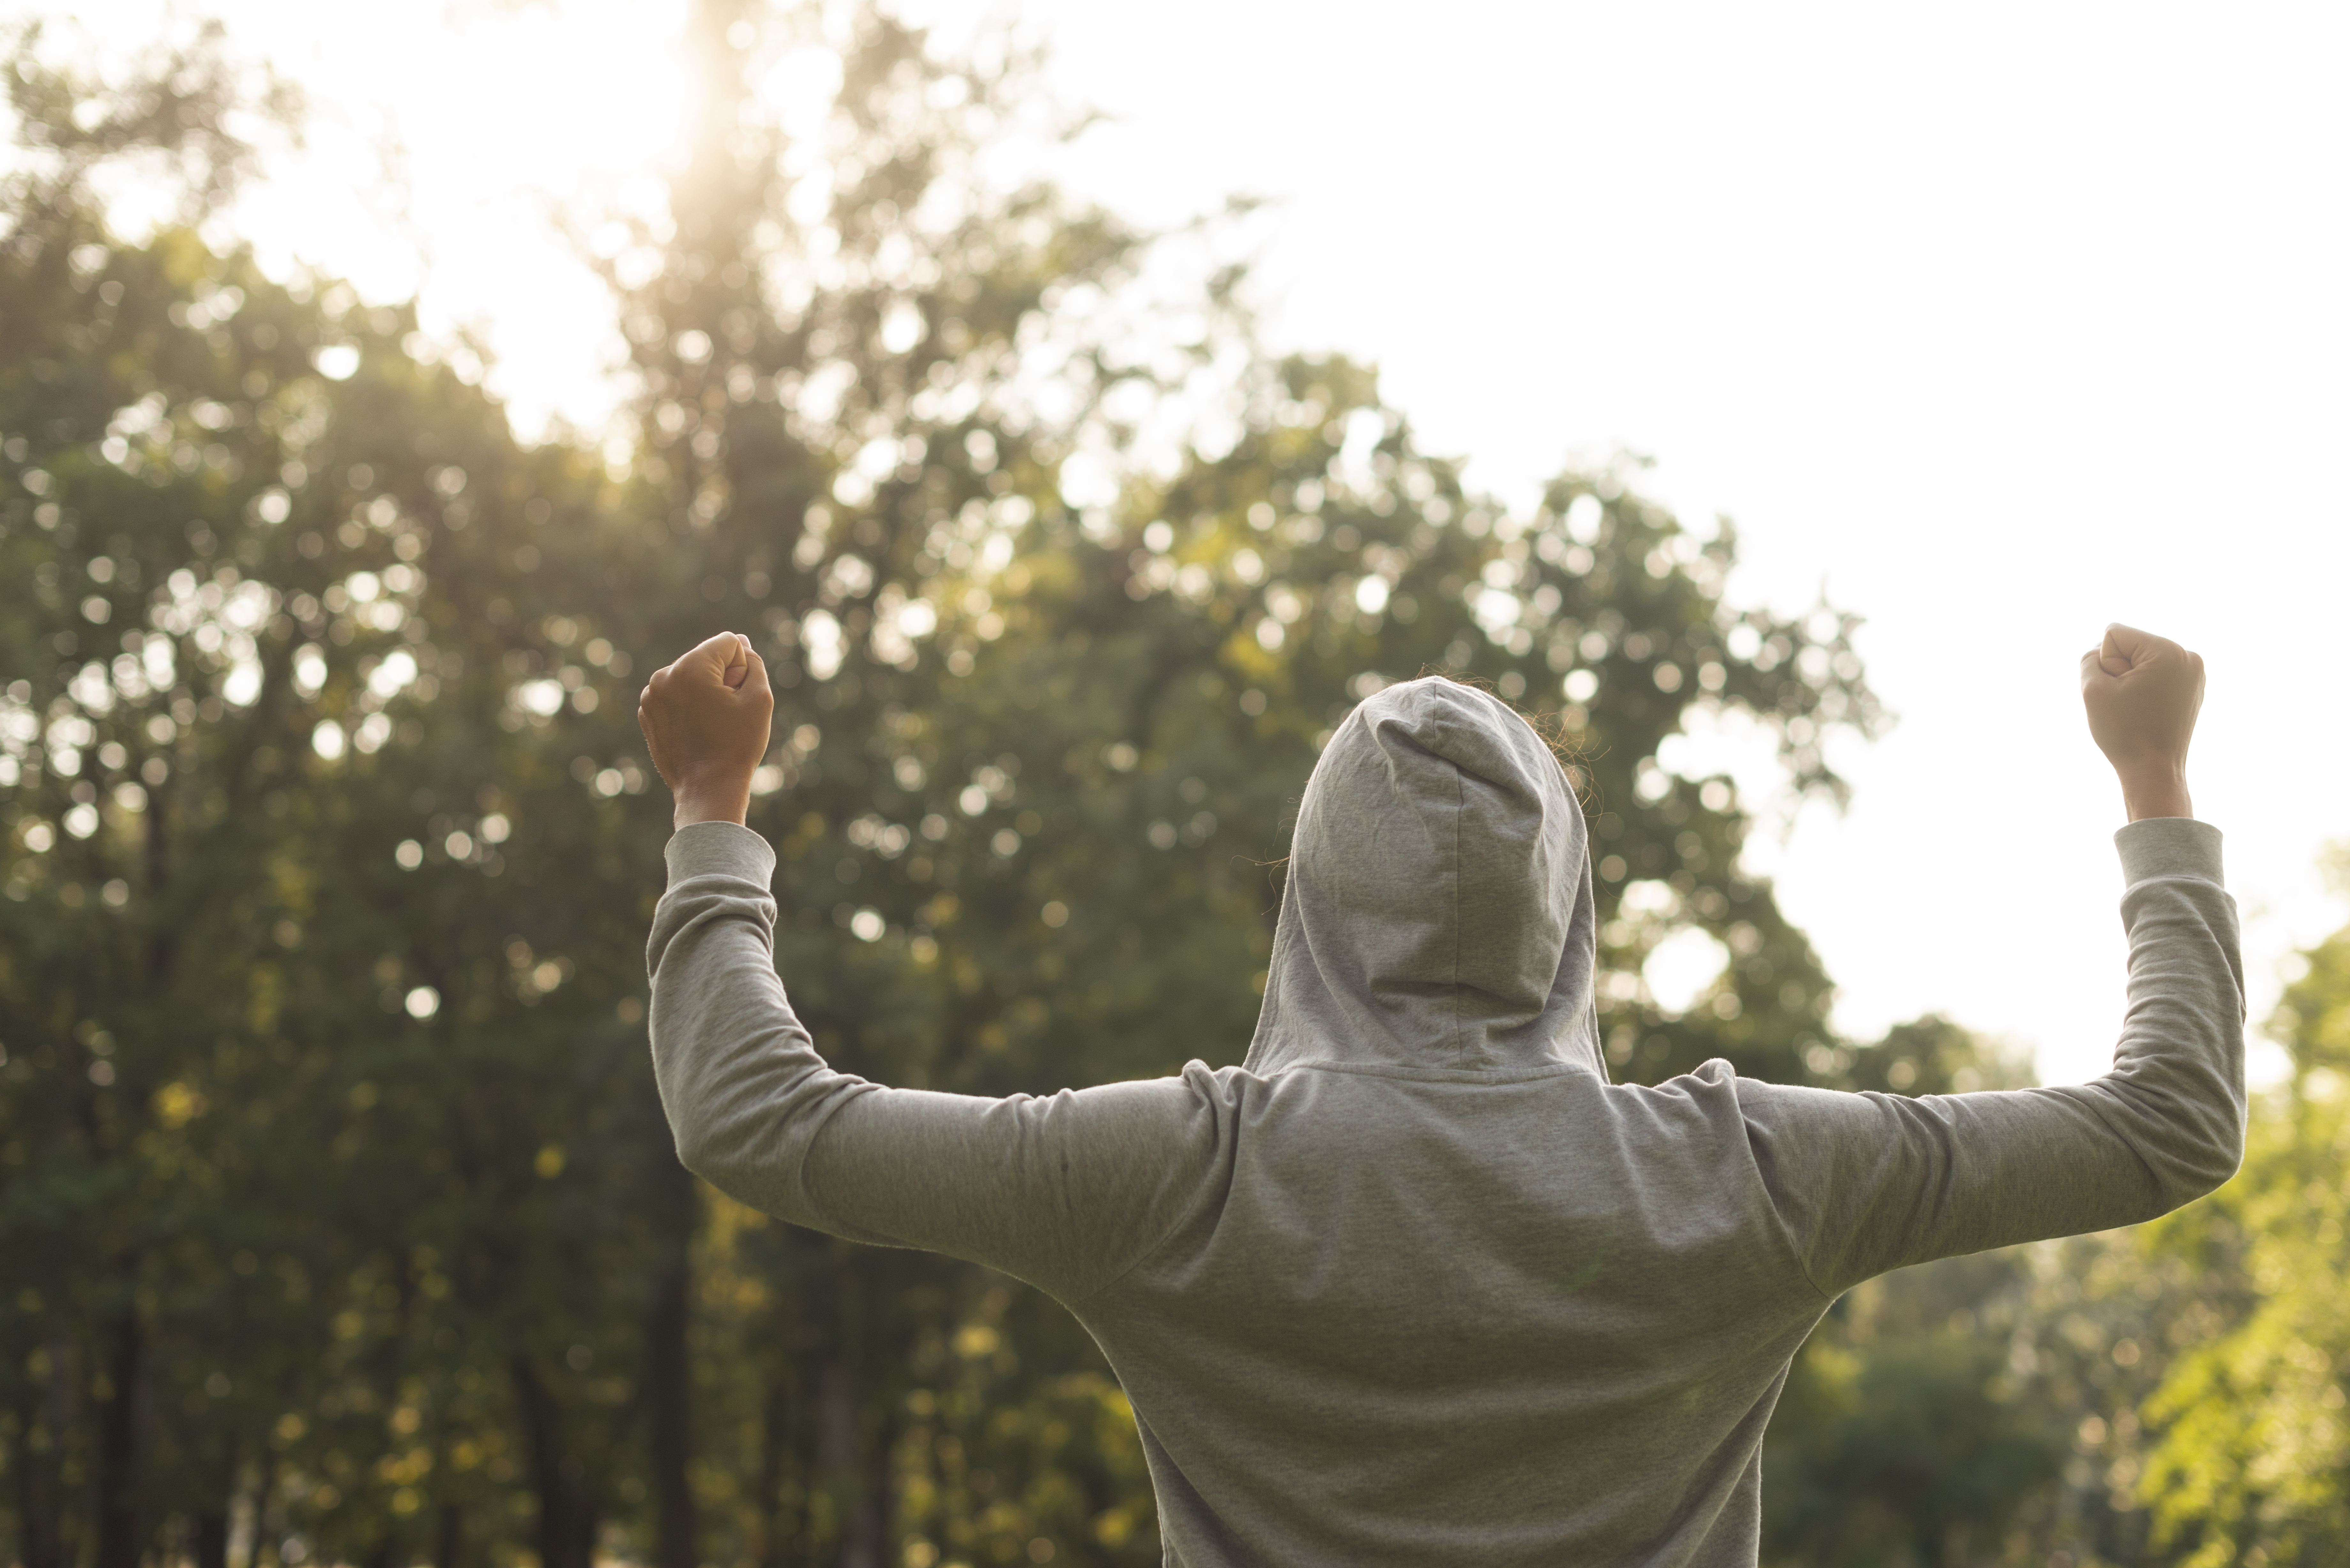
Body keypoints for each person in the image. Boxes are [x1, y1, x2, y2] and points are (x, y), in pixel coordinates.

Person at [637, 623, 2240, 1568]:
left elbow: (762, 1120)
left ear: (1315, 891)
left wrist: (715, 808)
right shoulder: (1743, 1173)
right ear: (1567, 899)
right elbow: (2166, 1119)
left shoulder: (1173, 1176)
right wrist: (2154, 787)